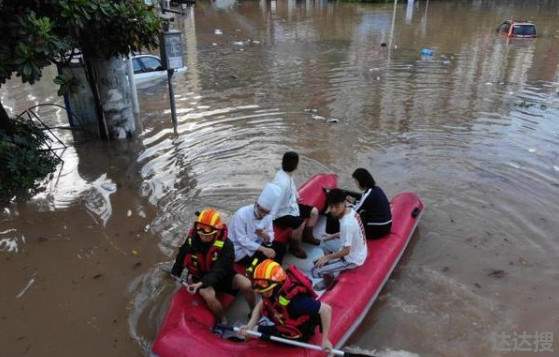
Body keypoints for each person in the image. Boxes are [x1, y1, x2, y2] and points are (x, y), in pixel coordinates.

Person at [171, 208, 256, 328]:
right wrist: (176, 272)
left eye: (207, 234)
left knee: (246, 284)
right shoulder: (192, 240)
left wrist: (201, 283)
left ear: (216, 231)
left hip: (222, 277)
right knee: (209, 296)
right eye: (200, 232)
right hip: (200, 276)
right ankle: (222, 321)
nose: (203, 236)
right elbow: (182, 255)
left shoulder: (227, 245)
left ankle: (253, 311)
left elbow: (220, 269)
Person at [240, 259, 333, 351]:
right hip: (283, 322)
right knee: (252, 328)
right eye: (262, 292)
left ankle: (242, 347)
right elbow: (262, 303)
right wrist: (249, 325)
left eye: (266, 291)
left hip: (297, 333)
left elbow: (326, 309)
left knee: (255, 330)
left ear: (278, 284)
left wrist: (325, 340)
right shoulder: (271, 291)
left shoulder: (298, 302)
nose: (264, 294)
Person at [272, 151, 320, 259]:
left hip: (290, 207)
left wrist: (297, 197)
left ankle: (308, 236)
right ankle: (294, 247)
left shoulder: (285, 174)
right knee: (300, 223)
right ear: (296, 165)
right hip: (281, 214)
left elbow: (292, 186)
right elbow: (275, 204)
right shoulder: (282, 183)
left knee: (314, 212)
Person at [312, 188, 368, 279]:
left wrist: (327, 257)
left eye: (336, 206)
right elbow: (347, 233)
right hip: (357, 249)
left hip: (353, 259)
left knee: (315, 271)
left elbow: (346, 251)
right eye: (331, 206)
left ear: (344, 202)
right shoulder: (350, 210)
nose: (333, 210)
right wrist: (331, 236)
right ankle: (330, 265)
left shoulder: (347, 223)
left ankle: (330, 277)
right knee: (324, 242)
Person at [229, 183, 287, 268]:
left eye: (266, 212)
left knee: (281, 247)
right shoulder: (241, 215)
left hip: (258, 243)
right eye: (262, 211)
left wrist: (267, 237)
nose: (263, 215)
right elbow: (242, 240)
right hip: (241, 249)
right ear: (256, 204)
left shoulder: (268, 215)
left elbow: (270, 232)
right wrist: (263, 249)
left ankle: (275, 272)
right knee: (264, 257)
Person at [326, 168, 392, 239]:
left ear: (361, 181)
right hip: (386, 225)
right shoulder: (376, 189)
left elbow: (355, 211)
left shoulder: (368, 194)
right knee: (360, 214)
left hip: (377, 229)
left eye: (356, 181)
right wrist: (353, 202)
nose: (356, 184)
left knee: (339, 216)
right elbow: (363, 203)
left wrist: (346, 206)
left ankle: (333, 236)